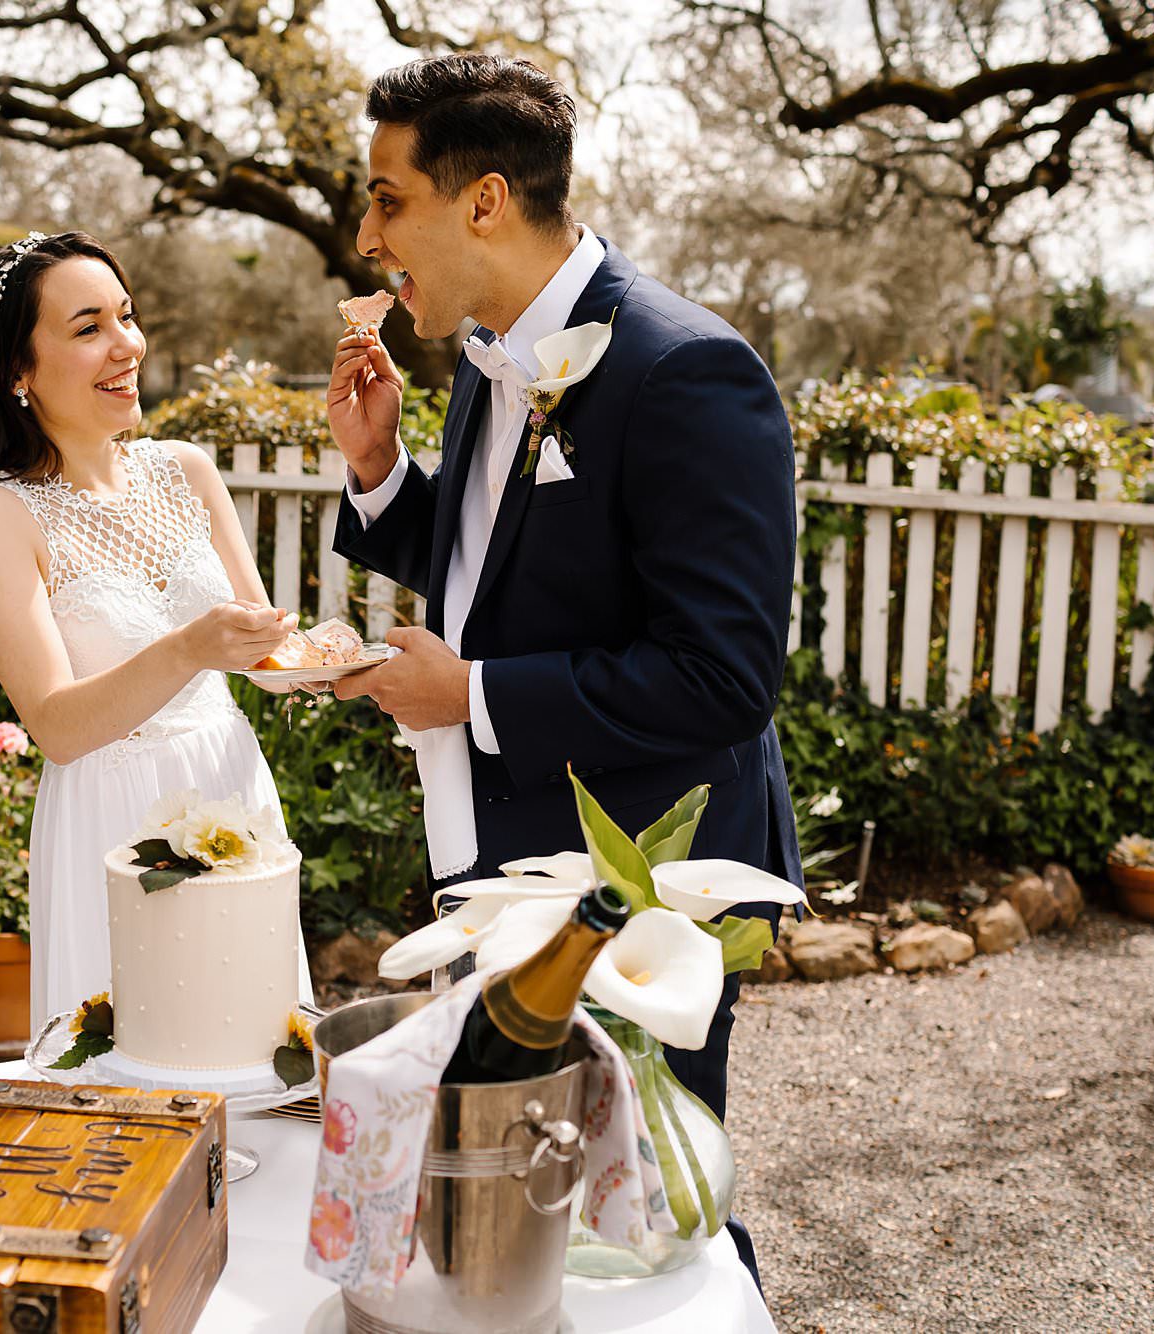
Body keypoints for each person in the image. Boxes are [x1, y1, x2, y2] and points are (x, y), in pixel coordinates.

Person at [324, 54, 801, 1290]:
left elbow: (722, 674)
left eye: (385, 199)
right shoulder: (491, 353)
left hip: (637, 882)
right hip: (508, 858)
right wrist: (380, 473)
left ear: (482, 201)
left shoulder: (685, 368)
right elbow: (505, 566)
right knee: (522, 1208)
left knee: (650, 1217)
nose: (365, 235)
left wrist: (469, 698)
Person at [0, 230, 307, 1020]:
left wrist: (350, 669)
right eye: (88, 327)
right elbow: (58, 727)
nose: (125, 345)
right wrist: (189, 648)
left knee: (261, 1043)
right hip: (114, 821)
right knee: (140, 1062)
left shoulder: (188, 471)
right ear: (15, 371)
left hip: (232, 783)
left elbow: (270, 651)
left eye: (126, 316)